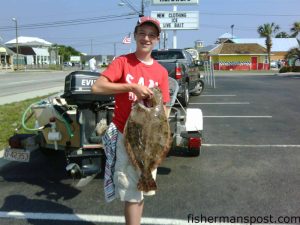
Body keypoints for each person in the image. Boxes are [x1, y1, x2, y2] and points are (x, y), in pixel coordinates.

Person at [92, 16, 170, 225]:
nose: (146, 38)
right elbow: (97, 87)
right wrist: (131, 87)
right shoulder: (122, 62)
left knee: (141, 191)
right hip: (126, 136)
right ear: (135, 35)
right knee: (131, 194)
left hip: (150, 140)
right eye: (142, 33)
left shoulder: (161, 72)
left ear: (157, 39)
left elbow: (164, 108)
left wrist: (161, 136)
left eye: (151, 35)